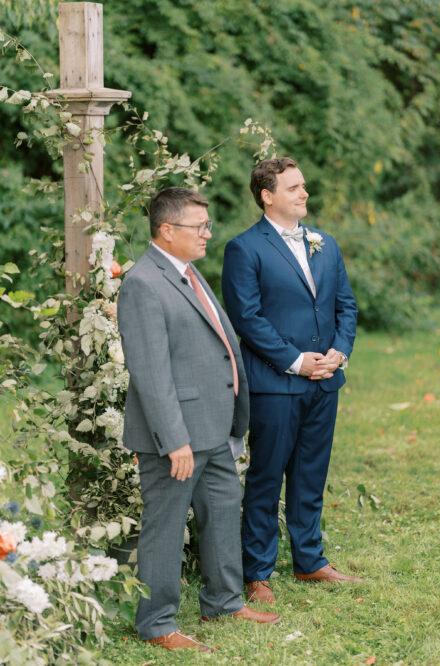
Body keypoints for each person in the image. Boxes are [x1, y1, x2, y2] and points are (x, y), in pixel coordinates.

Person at [118, 187, 279, 654]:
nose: (208, 234)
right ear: (167, 231)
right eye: (199, 226)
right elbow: (150, 373)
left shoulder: (188, 274)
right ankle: (157, 623)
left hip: (214, 428)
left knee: (224, 514)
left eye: (207, 225)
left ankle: (224, 601)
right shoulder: (144, 283)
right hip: (177, 440)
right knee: (165, 531)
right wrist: (174, 441)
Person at [221, 157, 362, 605]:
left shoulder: (326, 243)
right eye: (294, 187)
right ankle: (257, 571)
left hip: (325, 382)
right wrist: (297, 361)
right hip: (276, 384)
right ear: (267, 195)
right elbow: (248, 317)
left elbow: (346, 305)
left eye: (304, 186)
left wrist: (339, 351)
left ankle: (310, 560)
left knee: (310, 474)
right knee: (266, 476)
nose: (304, 193)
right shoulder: (245, 248)